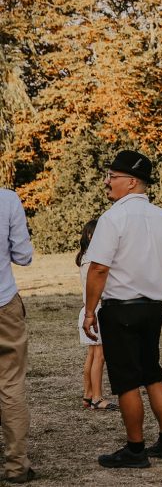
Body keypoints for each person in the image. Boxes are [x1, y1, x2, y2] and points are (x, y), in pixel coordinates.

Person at [82, 150, 162, 468]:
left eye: (112, 177)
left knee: (127, 381)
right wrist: (148, 258)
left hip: (121, 308)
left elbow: (98, 268)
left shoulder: (113, 218)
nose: (107, 182)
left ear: (131, 182)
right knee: (152, 373)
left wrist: (88, 312)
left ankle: (136, 449)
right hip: (152, 308)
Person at [0, 188, 35, 483]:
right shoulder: (8, 200)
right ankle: (15, 465)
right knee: (10, 385)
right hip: (3, 303)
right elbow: (24, 256)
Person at [77, 219, 118, 411]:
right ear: (91, 236)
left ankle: (87, 394)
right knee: (99, 356)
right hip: (96, 310)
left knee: (92, 355)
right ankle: (97, 397)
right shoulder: (93, 261)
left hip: (86, 309)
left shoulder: (84, 258)